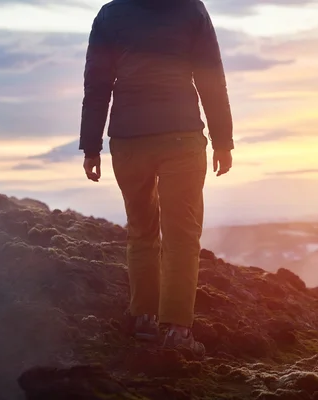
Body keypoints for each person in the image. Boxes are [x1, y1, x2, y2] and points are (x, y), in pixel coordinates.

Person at [78, 0, 234, 358]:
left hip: (128, 139)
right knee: (182, 234)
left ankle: (144, 317)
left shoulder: (111, 14)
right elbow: (211, 77)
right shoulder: (191, 9)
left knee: (141, 229)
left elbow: (97, 84)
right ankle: (177, 329)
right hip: (181, 136)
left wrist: (91, 146)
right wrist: (223, 141)